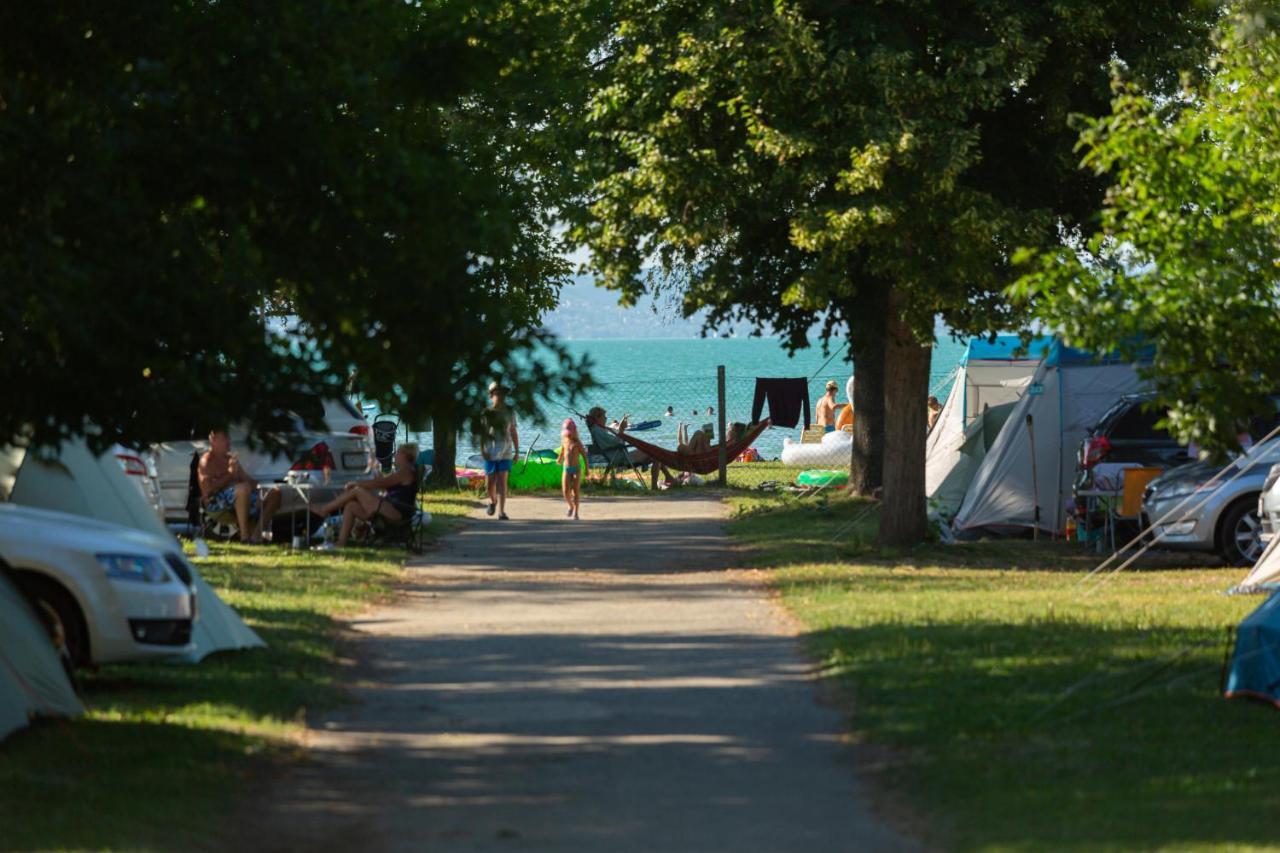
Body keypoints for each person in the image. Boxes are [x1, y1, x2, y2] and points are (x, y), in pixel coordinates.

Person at [312, 443, 419, 549]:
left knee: (357, 491)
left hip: (396, 513)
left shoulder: (406, 471)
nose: (395, 455)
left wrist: (356, 484)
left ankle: (324, 509)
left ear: (405, 455)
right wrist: (376, 470)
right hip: (391, 509)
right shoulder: (406, 470)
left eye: (397, 453)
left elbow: (381, 484)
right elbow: (384, 484)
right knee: (351, 506)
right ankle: (340, 543)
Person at [198, 429, 282, 544]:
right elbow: (208, 490)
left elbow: (249, 481)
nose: (228, 442)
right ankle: (244, 536)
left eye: (228, 438)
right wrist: (230, 474)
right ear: (212, 441)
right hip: (217, 503)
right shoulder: (207, 461)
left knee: (275, 493)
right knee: (243, 488)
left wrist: (266, 488)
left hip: (242, 497)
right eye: (224, 439)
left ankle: (256, 536)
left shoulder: (230, 459)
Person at [478, 381, 519, 520]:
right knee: (490, 483)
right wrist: (483, 451)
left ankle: (502, 511)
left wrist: (517, 451)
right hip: (490, 451)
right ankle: (492, 501)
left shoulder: (510, 411)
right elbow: (482, 433)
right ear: (491, 395)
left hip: (506, 451)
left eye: (503, 393)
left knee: (502, 481)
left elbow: (513, 430)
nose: (500, 396)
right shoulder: (487, 413)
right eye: (497, 393)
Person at [557, 419, 587, 520]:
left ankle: (576, 512)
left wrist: (587, 469)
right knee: (565, 491)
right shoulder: (564, 441)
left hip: (576, 469)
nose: (568, 435)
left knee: (576, 491)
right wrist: (559, 459)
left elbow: (584, 456)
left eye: (570, 433)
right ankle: (570, 506)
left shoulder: (578, 443)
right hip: (566, 468)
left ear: (574, 432)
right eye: (567, 433)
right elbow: (562, 451)